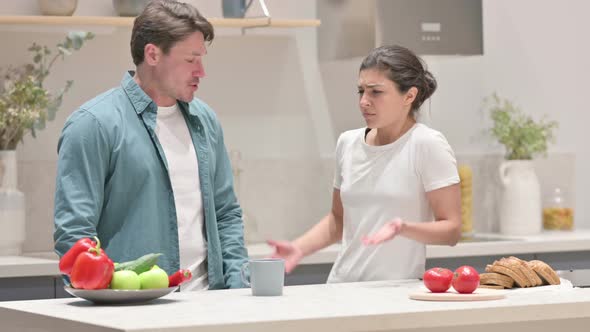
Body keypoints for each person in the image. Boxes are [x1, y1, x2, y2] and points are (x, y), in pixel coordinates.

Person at [54, 0, 248, 290]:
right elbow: (75, 237)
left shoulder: (205, 120)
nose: (201, 71)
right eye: (191, 59)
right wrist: (112, 304)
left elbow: (226, 214)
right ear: (153, 54)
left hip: (211, 308)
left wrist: (238, 290)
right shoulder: (92, 126)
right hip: (130, 314)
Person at [268, 45, 462, 283]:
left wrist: (403, 228)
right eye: (361, 91)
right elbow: (338, 220)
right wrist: (299, 247)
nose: (364, 101)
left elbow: (451, 230)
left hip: (394, 294)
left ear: (409, 96)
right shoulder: (347, 143)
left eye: (375, 92)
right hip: (341, 287)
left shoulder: (427, 144)